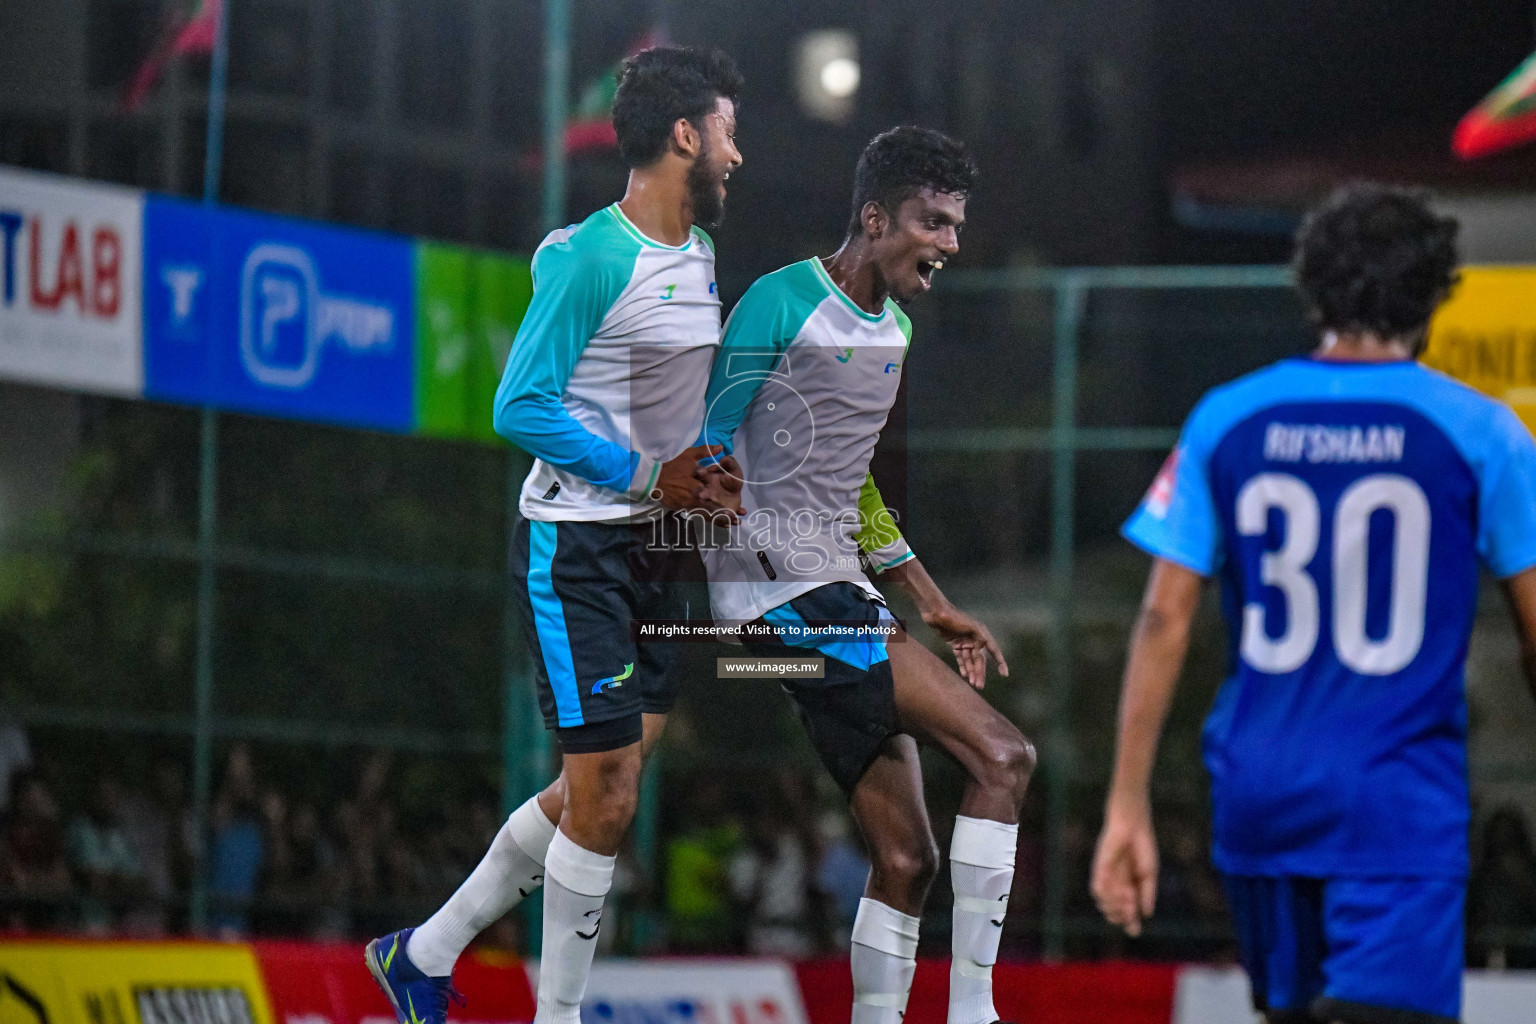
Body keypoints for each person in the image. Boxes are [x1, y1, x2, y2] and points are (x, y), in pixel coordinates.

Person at [1091, 183, 1536, 1024]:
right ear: (1438, 293)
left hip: (1259, 797)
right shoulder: (1484, 432)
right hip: (1398, 807)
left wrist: (1126, 803)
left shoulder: (1228, 416)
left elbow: (1163, 616)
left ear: (1313, 288)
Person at [366, 45, 745, 1024]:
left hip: (663, 549)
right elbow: (518, 404)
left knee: (602, 787)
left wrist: (708, 473)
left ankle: (425, 951)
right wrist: (646, 474)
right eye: (730, 133)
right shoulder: (586, 257)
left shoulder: (698, 255)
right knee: (608, 795)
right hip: (578, 550)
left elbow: (670, 405)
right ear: (685, 135)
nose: (738, 157)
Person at [699, 126, 1035, 1024]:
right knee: (1003, 756)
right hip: (780, 607)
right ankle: (976, 1012)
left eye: (957, 226)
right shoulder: (779, 302)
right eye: (933, 222)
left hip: (832, 600)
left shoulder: (891, 334)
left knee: (907, 860)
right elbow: (701, 447)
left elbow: (855, 493)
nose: (950, 245)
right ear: (876, 217)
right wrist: (711, 511)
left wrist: (931, 603)